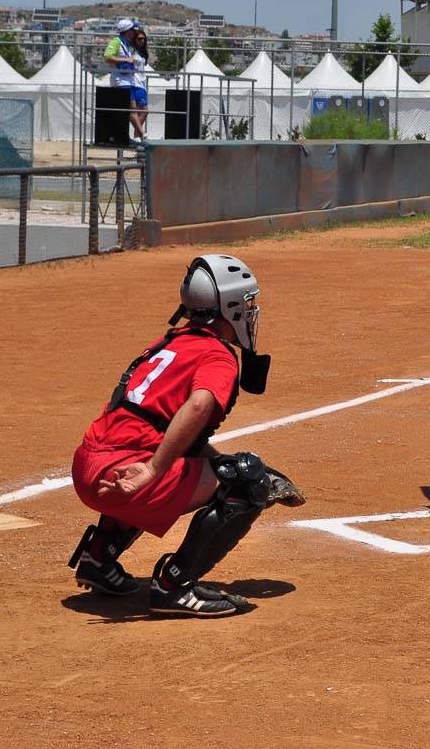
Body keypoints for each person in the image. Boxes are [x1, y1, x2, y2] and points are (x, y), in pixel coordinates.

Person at [67, 254, 304, 617]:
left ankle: (99, 558)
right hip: (129, 475)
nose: (251, 311)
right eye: (246, 303)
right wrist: (152, 470)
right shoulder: (218, 356)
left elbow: (180, 437)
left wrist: (202, 463)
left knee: (216, 466)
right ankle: (174, 587)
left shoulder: (173, 342)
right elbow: (196, 408)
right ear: (229, 307)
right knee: (247, 481)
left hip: (94, 467)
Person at [103, 18, 145, 144]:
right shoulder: (116, 42)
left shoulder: (127, 43)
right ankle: (142, 135)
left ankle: (133, 135)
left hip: (129, 79)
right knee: (131, 107)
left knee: (136, 108)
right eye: (132, 30)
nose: (134, 32)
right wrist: (127, 61)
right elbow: (107, 57)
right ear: (127, 31)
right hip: (120, 80)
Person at [130, 28, 151, 142]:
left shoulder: (142, 53)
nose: (142, 41)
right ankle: (137, 135)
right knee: (144, 110)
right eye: (139, 39)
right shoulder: (132, 51)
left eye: (144, 39)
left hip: (142, 83)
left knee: (140, 111)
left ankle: (136, 136)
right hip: (136, 83)